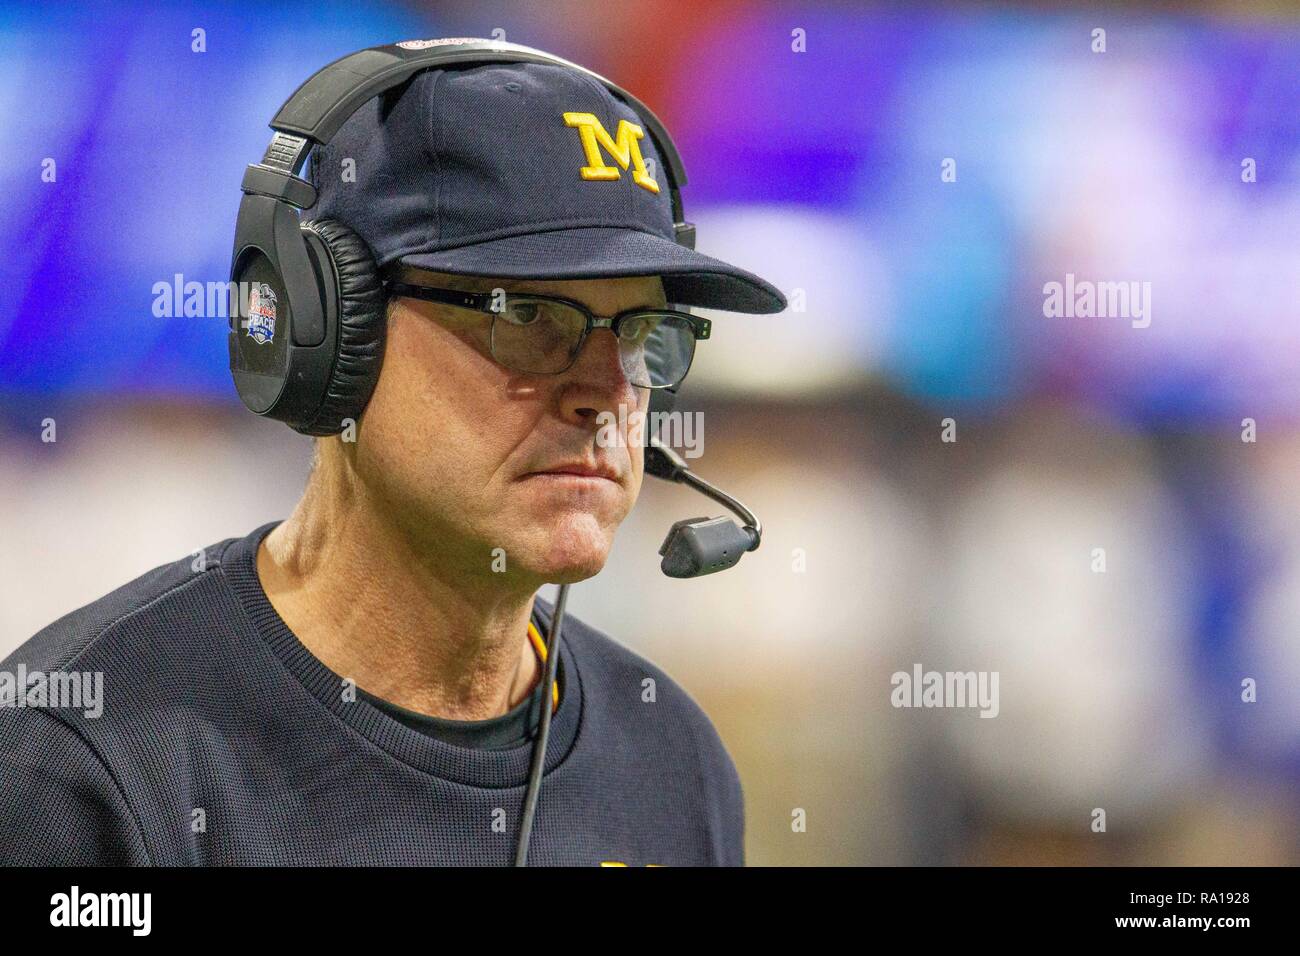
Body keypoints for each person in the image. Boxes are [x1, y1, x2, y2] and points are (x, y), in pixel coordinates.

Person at [0, 48, 786, 866]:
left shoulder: (674, 760)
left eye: (639, 334)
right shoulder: (81, 766)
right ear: (331, 330)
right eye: (527, 317)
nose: (605, 395)